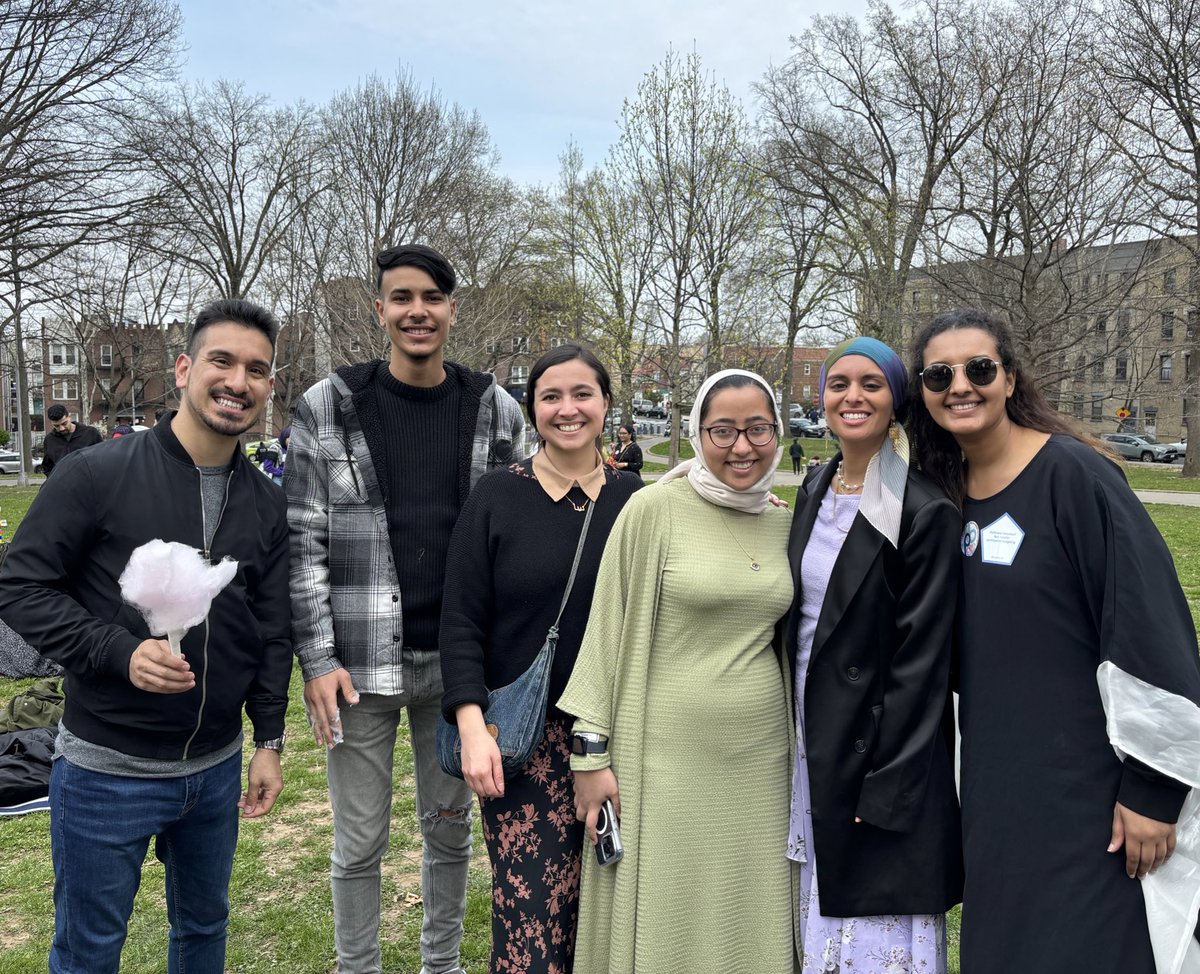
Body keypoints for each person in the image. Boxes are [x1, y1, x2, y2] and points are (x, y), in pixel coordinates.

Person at [0, 298, 292, 973]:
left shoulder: (266, 502)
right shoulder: (98, 474)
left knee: (203, 932)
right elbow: (20, 587)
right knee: (88, 951)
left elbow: (272, 628)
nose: (238, 381)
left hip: (215, 770)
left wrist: (268, 739)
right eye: (221, 360)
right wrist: (118, 652)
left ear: (268, 388)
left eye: (256, 370)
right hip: (108, 770)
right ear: (186, 368)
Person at [907, 308, 1200, 974]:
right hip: (996, 794)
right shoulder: (941, 499)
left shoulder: (1073, 477)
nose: (961, 385)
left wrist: (1154, 789)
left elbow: (1149, 623)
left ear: (1009, 378)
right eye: (939, 373)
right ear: (922, 392)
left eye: (979, 369)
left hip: (1092, 799)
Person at [287, 243, 526, 974]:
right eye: (401, 298)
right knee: (358, 843)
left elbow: (540, 510)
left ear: (453, 309)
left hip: (460, 671)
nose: (416, 311)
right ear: (381, 309)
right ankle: (356, 966)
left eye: (431, 297)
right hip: (357, 670)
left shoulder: (494, 409)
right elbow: (301, 543)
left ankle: (440, 964)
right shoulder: (328, 406)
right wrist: (319, 659)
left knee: (449, 833)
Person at [559, 368, 797, 974]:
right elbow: (606, 633)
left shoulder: (785, 521)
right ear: (696, 432)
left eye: (757, 429)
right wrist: (589, 756)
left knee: (747, 911)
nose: (741, 447)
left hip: (761, 761)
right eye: (722, 431)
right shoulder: (653, 509)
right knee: (667, 911)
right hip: (663, 760)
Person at [440, 344, 643, 973]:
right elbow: (461, 620)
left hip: (619, 737)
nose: (568, 409)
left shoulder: (639, 502)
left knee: (610, 914)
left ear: (606, 404)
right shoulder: (498, 497)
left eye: (583, 394)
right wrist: (472, 728)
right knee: (534, 920)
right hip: (525, 741)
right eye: (551, 397)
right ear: (533, 410)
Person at [786, 337, 962, 973]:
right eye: (838, 384)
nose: (851, 397)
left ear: (897, 403)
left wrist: (888, 785)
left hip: (876, 752)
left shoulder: (922, 508)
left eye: (871, 384)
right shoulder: (812, 486)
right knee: (818, 907)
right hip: (812, 734)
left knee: (871, 936)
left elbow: (924, 667)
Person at [41, 404, 102, 476]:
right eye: (56, 426)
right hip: (63, 484)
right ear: (52, 423)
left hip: (89, 482)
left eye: (64, 423)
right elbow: (47, 466)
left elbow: (102, 457)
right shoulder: (49, 440)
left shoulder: (90, 433)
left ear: (69, 417)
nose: (61, 428)